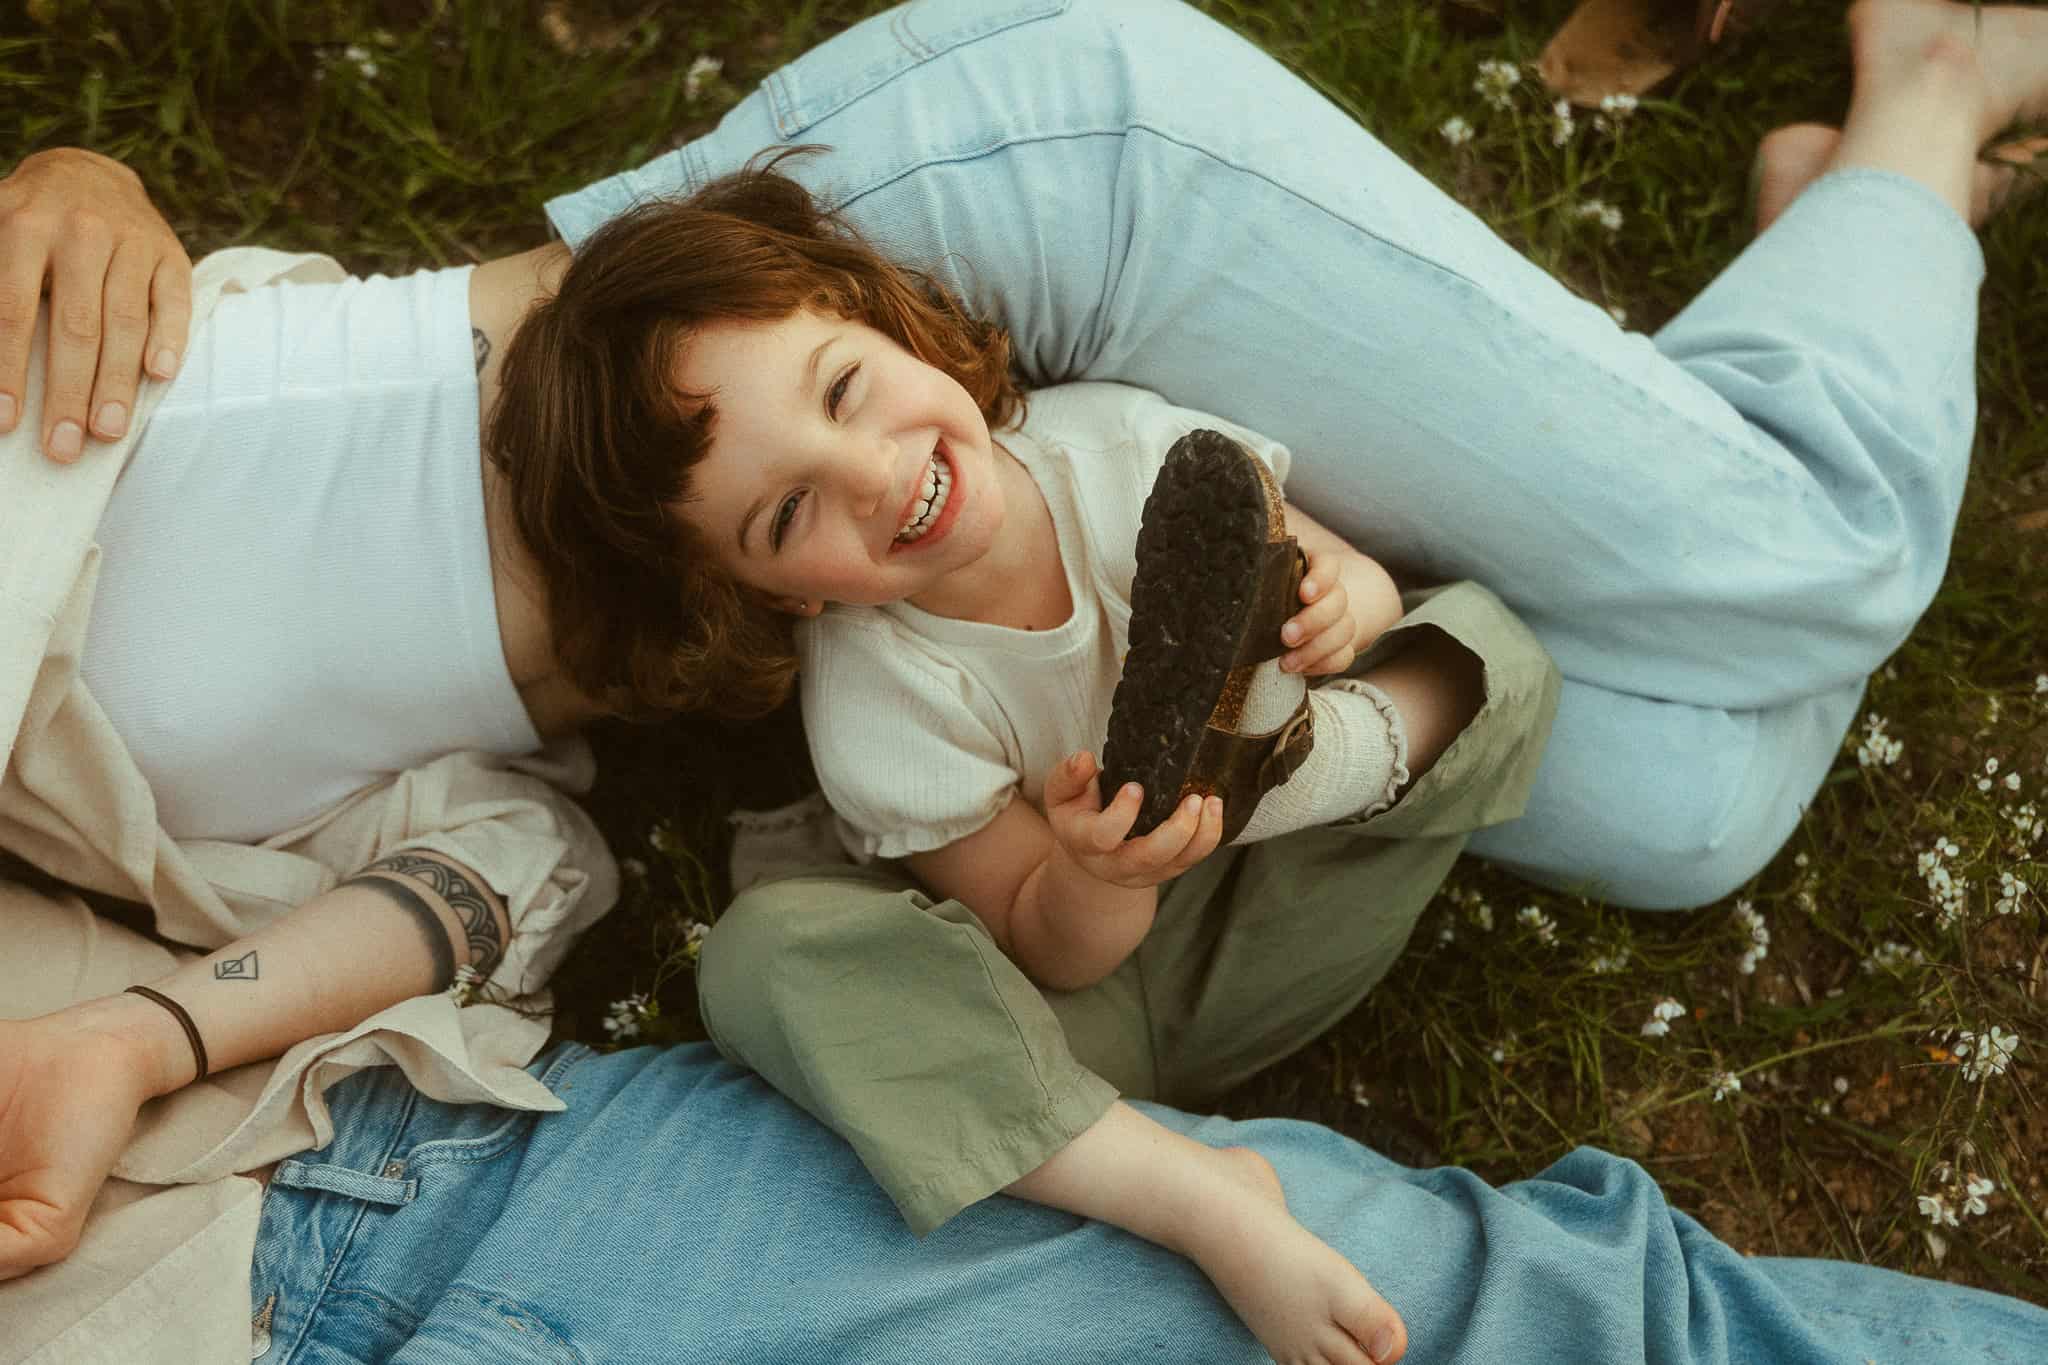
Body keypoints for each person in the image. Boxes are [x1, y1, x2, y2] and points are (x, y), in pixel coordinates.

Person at [2, 0, 2045, 1358]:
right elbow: (490, 857)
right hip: (810, 552)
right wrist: (165, 1031)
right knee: (1690, 803)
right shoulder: (87, 841)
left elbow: (107, 273)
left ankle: (1928, 85)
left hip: (980, 230)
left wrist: (70, 179)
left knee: (1807, 559)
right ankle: (1841, 251)